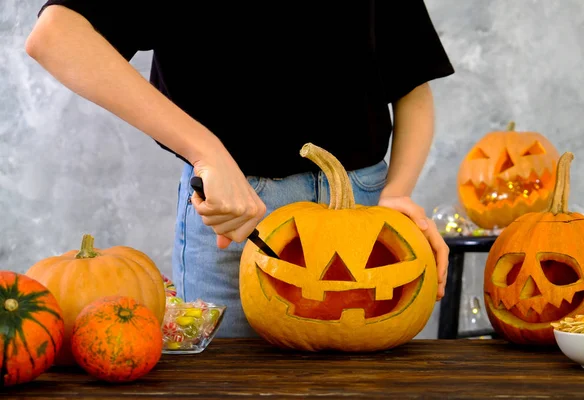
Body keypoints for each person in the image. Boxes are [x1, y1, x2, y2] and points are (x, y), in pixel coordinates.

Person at [25, 1, 454, 337]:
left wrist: (397, 193)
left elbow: (411, 83)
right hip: (236, 217)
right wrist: (206, 151)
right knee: (226, 385)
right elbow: (57, 35)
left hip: (367, 204)